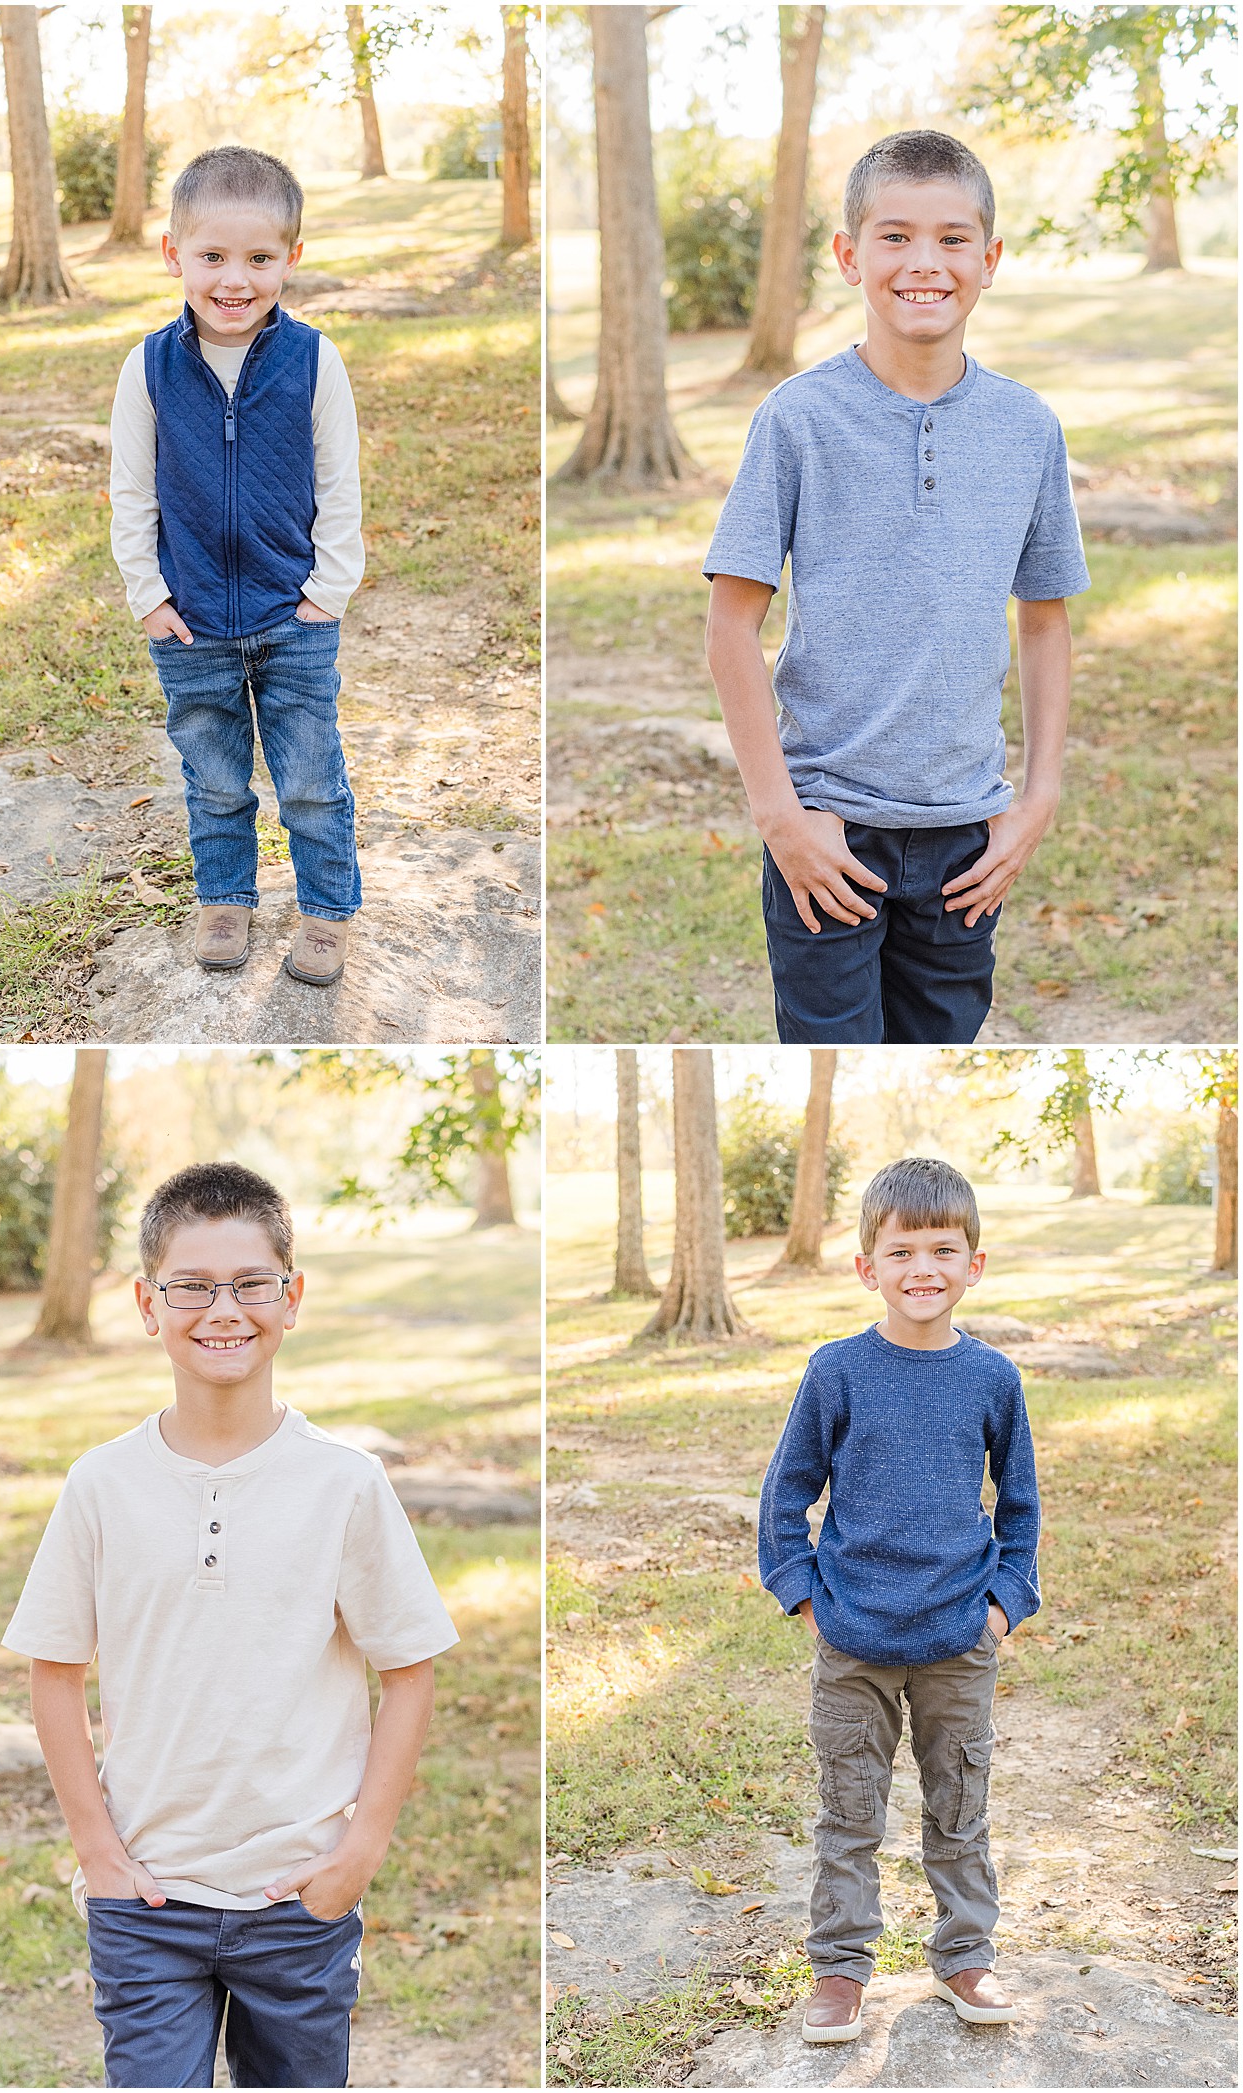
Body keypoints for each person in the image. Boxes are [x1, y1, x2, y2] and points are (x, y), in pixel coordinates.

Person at [3, 1162, 456, 2090]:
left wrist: (357, 1854)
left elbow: (408, 1668)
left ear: (292, 1298)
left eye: (251, 1283)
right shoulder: (100, 1483)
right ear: (145, 1301)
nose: (223, 1309)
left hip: (297, 1898)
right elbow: (55, 1670)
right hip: (146, 1898)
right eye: (193, 1285)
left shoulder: (344, 1481)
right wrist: (99, 1853)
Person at [704, 131, 1091, 1044]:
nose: (926, 263)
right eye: (895, 237)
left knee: (939, 1050)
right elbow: (731, 626)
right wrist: (782, 819)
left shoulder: (1027, 427)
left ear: (990, 260)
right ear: (848, 255)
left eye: (955, 239)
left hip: (969, 840)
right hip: (829, 831)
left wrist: (1036, 800)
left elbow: (1044, 625)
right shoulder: (798, 418)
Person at [758, 1155, 1041, 2044]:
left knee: (960, 1806)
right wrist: (808, 1599)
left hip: (959, 1637)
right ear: (866, 1267)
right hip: (854, 1640)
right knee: (849, 1810)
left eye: (944, 1249)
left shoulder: (993, 1377)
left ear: (975, 1264)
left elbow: (1021, 1503)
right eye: (903, 1250)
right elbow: (785, 1495)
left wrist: (1002, 1603)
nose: (924, 1268)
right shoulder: (837, 1370)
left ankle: (966, 1955)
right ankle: (839, 1970)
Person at [109, 145, 365, 984]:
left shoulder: (313, 360)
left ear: (292, 258)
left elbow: (340, 482)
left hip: (293, 620)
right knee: (214, 778)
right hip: (189, 626)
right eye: (212, 256)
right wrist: (148, 596)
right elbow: (131, 492)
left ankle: (326, 913)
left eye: (259, 259)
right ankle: (225, 899)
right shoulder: (149, 368)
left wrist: (327, 593)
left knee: (311, 781)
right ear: (173, 253)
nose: (234, 280)